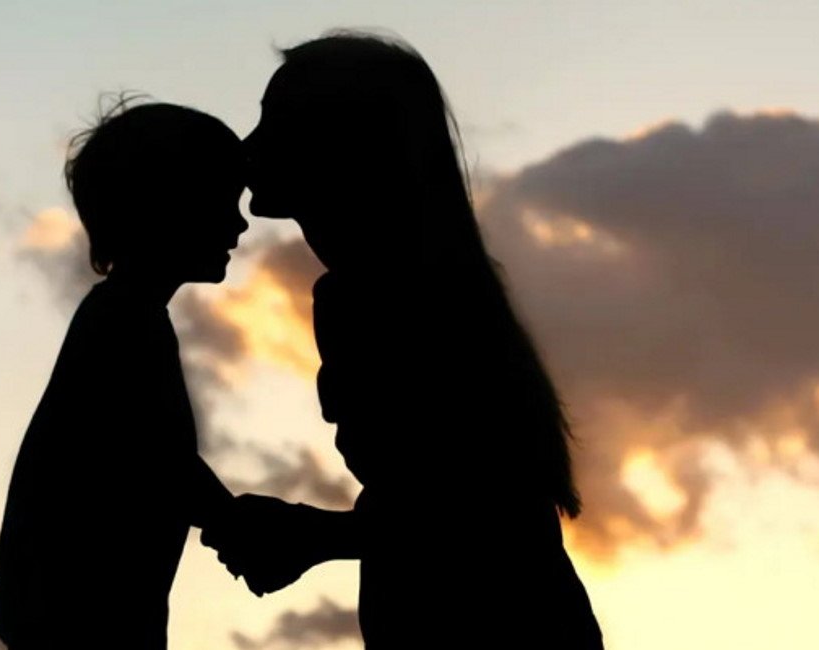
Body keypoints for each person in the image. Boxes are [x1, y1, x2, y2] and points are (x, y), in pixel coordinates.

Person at [202, 32, 604, 648]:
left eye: (275, 122)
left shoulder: (382, 297)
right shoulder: (418, 286)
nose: (248, 146)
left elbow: (473, 510)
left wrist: (312, 535)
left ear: (340, 146)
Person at [0, 99, 247, 650]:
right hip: (79, 618)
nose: (240, 222)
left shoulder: (124, 315)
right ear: (169, 207)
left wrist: (231, 519)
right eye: (224, 200)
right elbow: (157, 458)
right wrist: (236, 523)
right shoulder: (123, 321)